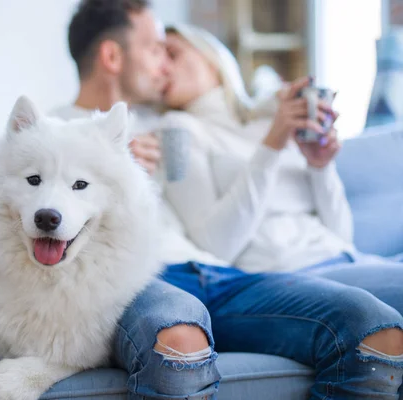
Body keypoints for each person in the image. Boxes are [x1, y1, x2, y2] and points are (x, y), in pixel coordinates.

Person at [156, 23, 403, 399]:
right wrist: (271, 147)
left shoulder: (269, 120)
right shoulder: (179, 131)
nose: (162, 67)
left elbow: (341, 237)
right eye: (155, 56)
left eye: (172, 53)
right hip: (292, 275)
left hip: (348, 259)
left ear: (210, 56)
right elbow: (217, 245)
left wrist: (320, 166)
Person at [51, 1, 222, 399]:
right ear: (112, 56)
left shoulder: (166, 128)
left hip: (212, 268)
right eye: (155, 49)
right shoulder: (52, 136)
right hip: (146, 277)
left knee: (366, 321)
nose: (165, 64)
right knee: (179, 340)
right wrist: (104, 168)